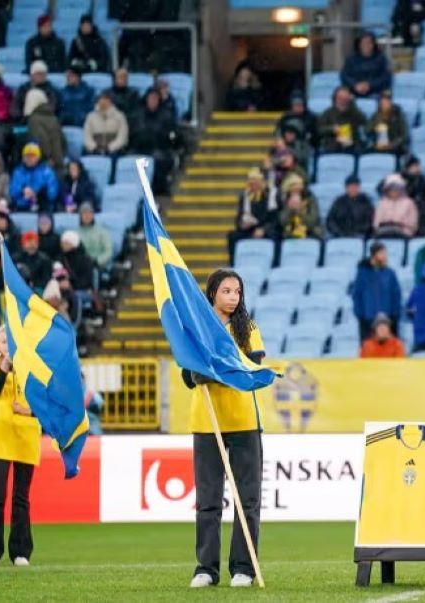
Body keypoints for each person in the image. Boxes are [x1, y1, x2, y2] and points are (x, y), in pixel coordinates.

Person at [183, 270, 267, 588]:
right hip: (207, 423)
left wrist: (214, 372)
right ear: (213, 294)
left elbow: (251, 369)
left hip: (244, 421)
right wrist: (197, 374)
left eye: (237, 292)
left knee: (248, 500)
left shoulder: (249, 329)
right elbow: (186, 377)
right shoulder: (197, 329)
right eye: (226, 291)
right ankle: (206, 569)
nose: (233, 297)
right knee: (208, 501)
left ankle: (243, 568)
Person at [0, 325, 39, 563]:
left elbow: (45, 407)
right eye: (3, 342)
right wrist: (4, 368)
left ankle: (21, 552)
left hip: (26, 436)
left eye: (11, 341)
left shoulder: (33, 373)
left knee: (21, 497)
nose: (6, 345)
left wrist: (27, 411)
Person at [129, 89, 178, 192]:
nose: (152, 101)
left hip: (160, 148)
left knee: (159, 158)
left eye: (155, 98)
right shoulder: (137, 115)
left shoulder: (166, 115)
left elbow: (173, 135)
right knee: (130, 157)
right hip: (140, 148)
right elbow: (133, 133)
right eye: (150, 98)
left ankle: (158, 189)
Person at [352, 242, 402, 339]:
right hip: (368, 320)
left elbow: (396, 295)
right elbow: (357, 295)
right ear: (374, 255)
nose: (385, 256)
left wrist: (395, 315)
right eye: (382, 253)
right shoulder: (362, 273)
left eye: (385, 254)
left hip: (387, 320)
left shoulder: (390, 273)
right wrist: (360, 316)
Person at [340, 31, 391, 98]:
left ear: (373, 44)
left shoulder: (381, 59)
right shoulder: (351, 59)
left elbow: (385, 77)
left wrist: (369, 85)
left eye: (369, 43)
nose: (366, 46)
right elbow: (345, 75)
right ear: (359, 44)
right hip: (354, 91)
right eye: (363, 43)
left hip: (376, 92)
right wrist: (355, 85)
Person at [25, 89, 66, 172]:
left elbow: (41, 141)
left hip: (46, 164)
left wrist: (48, 158)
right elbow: (63, 141)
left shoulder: (34, 120)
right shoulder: (53, 118)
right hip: (59, 162)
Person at [10, 144, 59, 212]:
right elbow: (13, 191)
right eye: (27, 156)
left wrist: (37, 194)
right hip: (21, 207)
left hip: (42, 207)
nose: (29, 158)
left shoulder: (47, 172)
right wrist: (23, 191)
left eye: (32, 156)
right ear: (23, 158)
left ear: (38, 157)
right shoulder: (18, 172)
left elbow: (52, 193)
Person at [317, 87, 366, 154]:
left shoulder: (354, 111)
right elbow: (319, 129)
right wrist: (332, 129)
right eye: (340, 98)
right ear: (335, 99)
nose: (343, 101)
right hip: (332, 146)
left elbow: (364, 122)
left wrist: (353, 104)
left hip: (352, 146)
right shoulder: (328, 113)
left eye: (345, 99)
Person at [326, 174, 374, 238]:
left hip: (360, 235)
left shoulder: (365, 201)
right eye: (350, 186)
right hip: (340, 235)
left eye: (355, 186)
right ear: (346, 188)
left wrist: (359, 231)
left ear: (359, 187)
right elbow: (330, 221)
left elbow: (371, 221)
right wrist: (338, 232)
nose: (353, 189)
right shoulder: (339, 202)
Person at [277, 174, 321, 239]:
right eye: (293, 185)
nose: (297, 188)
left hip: (310, 232)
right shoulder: (283, 200)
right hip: (289, 233)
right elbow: (282, 222)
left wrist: (298, 211)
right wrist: (290, 209)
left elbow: (312, 221)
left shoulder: (310, 199)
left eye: (299, 185)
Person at [77, 203, 112, 270]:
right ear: (80, 216)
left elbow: (108, 251)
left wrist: (97, 261)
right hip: (79, 265)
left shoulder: (102, 231)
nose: (87, 216)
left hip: (96, 265)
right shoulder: (75, 232)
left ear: (93, 215)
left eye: (89, 213)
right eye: (84, 213)